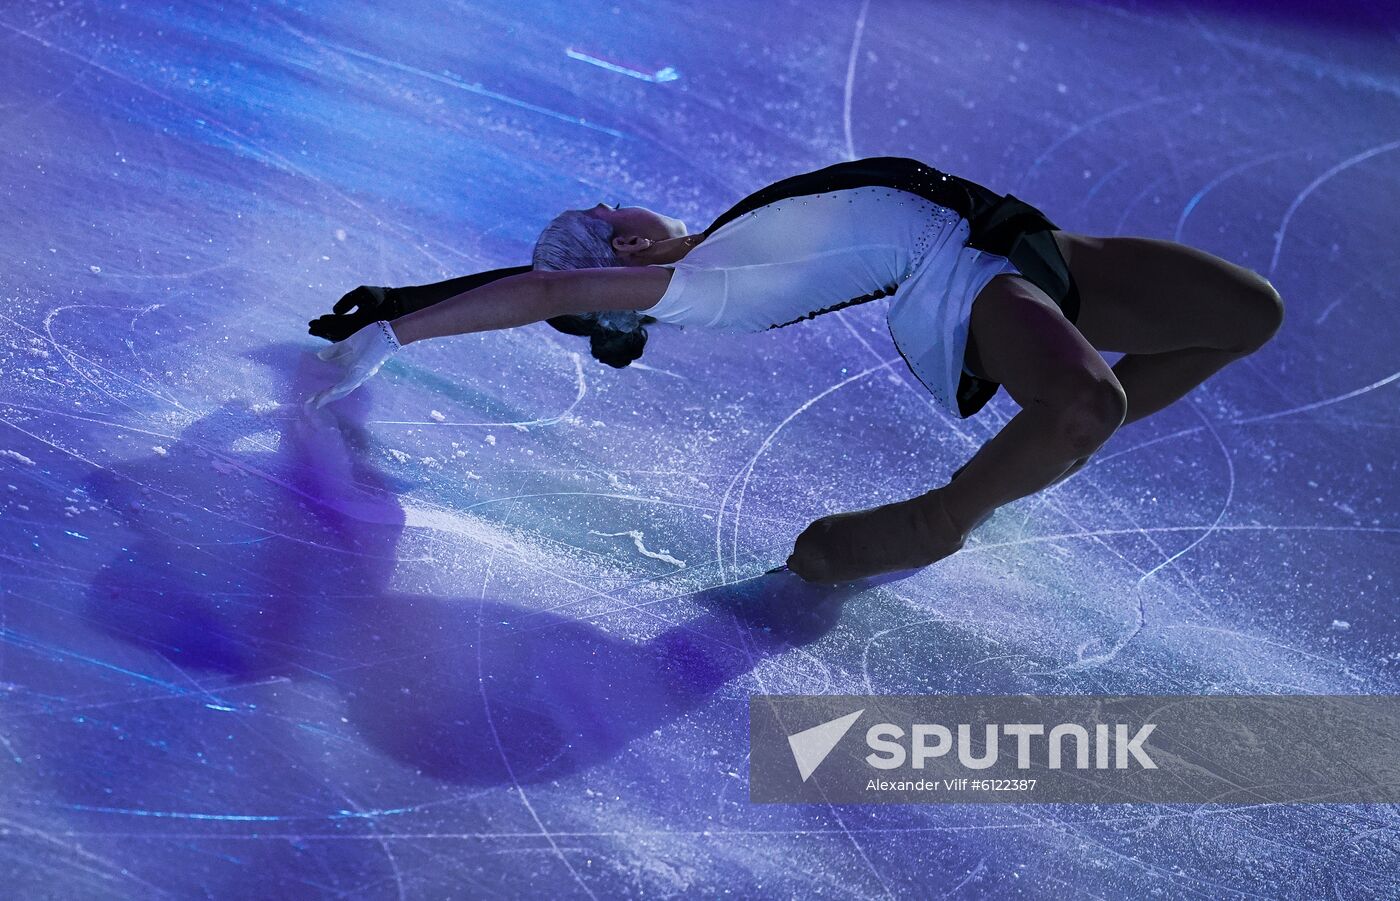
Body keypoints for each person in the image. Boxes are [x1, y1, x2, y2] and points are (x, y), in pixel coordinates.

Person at [305, 157, 1283, 584]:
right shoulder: (690, 280)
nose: (615, 204)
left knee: (1244, 314)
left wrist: (400, 298)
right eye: (603, 218)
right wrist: (400, 334)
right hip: (960, 277)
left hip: (1019, 240)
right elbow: (545, 289)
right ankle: (940, 518)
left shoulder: (710, 242)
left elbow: (544, 278)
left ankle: (1046, 448)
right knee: (1086, 399)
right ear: (620, 257)